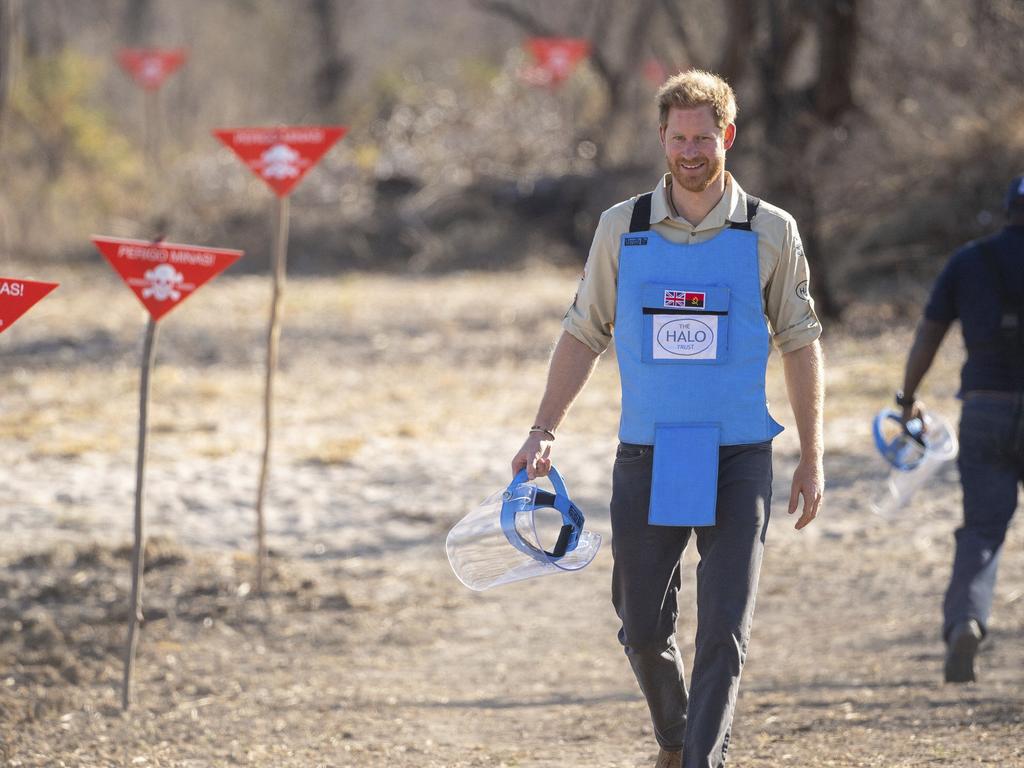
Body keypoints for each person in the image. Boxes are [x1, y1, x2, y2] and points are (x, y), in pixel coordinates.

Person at [511, 70, 824, 768]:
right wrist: (543, 429)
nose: (690, 151)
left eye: (703, 138)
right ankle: (678, 737)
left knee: (723, 628)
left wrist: (812, 454)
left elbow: (802, 341)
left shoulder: (770, 231)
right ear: (662, 138)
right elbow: (582, 331)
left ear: (728, 137)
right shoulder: (622, 228)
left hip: (739, 454)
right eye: (678, 138)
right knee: (642, 627)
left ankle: (701, 760)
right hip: (650, 454)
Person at [896, 174, 1024, 684]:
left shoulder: (970, 260)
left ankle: (965, 622)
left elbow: (929, 334)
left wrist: (908, 399)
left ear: (1008, 210)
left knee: (983, 531)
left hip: (986, 407)